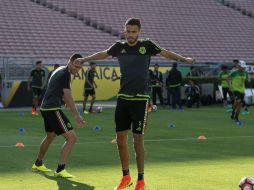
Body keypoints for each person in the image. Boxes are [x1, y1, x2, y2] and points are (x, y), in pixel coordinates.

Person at [76, 18, 194, 190]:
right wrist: (84, 59)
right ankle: (126, 177)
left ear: (139, 32)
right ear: (124, 31)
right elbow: (103, 53)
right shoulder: (119, 47)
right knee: (120, 140)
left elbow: (165, 53)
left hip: (140, 99)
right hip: (123, 98)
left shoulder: (147, 45)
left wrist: (184, 59)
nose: (130, 34)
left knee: (138, 140)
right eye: (128, 31)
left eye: (133, 31)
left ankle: (141, 180)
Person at [31, 54, 85, 178]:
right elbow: (68, 95)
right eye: (76, 66)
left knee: (50, 136)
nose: (77, 70)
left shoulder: (60, 69)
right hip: (52, 109)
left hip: (45, 108)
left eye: (79, 68)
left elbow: (55, 87)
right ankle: (60, 169)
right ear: (70, 62)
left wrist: (62, 98)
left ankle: (38, 163)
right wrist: (76, 115)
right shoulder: (66, 73)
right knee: (72, 138)